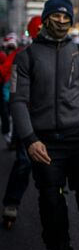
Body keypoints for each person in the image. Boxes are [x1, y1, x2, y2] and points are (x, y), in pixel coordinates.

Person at [10, 0, 79, 250]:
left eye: (65, 17)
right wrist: (29, 139)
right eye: (55, 16)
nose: (61, 21)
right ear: (45, 19)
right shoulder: (26, 57)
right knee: (51, 202)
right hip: (45, 143)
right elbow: (18, 101)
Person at [1, 16, 41, 230]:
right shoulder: (21, 56)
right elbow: (16, 91)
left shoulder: (65, 52)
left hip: (53, 120)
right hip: (27, 117)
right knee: (24, 161)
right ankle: (11, 204)